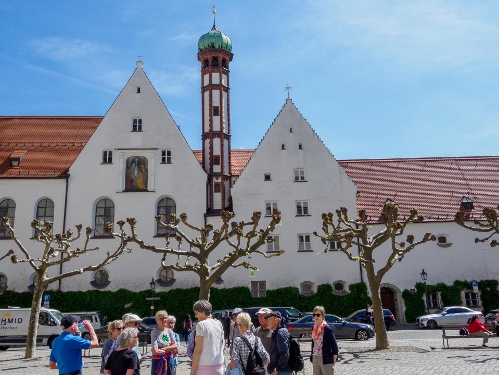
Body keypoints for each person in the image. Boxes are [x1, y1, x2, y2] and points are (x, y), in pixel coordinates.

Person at [190, 300, 225, 375]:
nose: (195, 316)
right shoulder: (218, 323)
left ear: (202, 311)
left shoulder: (201, 325)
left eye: (196, 313)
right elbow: (223, 342)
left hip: (204, 366)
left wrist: (192, 372)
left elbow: (197, 351)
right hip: (218, 364)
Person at [310, 306, 338, 375]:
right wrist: (312, 355)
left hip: (325, 357)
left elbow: (334, 344)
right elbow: (313, 343)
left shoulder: (327, 328)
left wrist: (335, 355)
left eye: (318, 315)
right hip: (315, 356)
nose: (316, 317)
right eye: (314, 315)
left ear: (323, 316)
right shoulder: (314, 328)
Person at [151, 310, 178, 375]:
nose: (164, 320)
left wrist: (162, 349)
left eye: (165, 318)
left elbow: (175, 346)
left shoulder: (169, 331)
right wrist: (170, 348)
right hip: (157, 361)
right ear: (157, 321)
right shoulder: (154, 333)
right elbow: (155, 350)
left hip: (169, 360)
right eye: (161, 319)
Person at [265, 311, 292, 375]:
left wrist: (277, 369)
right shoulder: (278, 331)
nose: (267, 322)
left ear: (276, 320)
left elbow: (285, 353)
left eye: (269, 319)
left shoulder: (280, 332)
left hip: (282, 371)